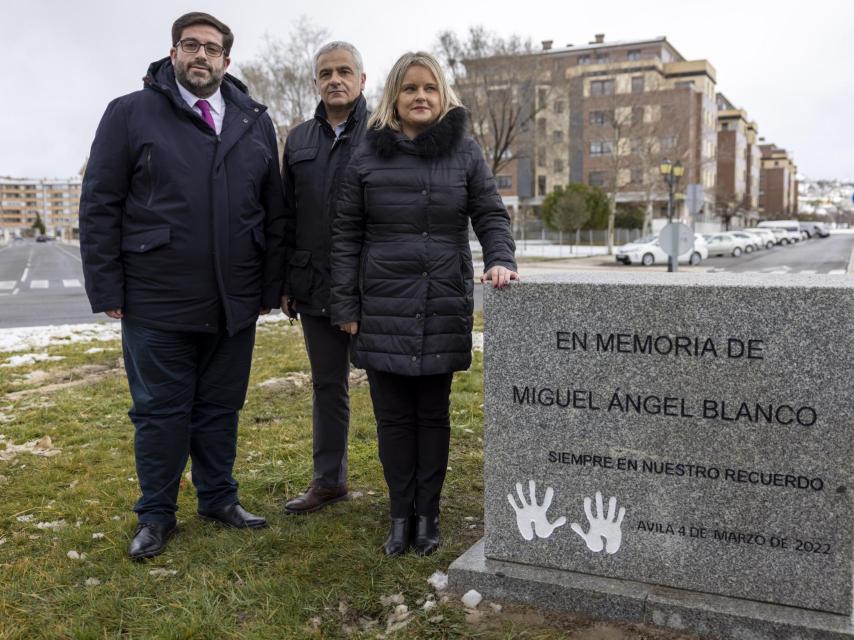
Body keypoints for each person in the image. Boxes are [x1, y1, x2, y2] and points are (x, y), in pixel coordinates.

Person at [79, 12, 285, 559]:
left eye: (211, 48)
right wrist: (108, 289)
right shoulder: (130, 114)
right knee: (161, 413)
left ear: (226, 61)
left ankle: (218, 497)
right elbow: (99, 205)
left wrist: (270, 286)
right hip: (156, 298)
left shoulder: (253, 119)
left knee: (221, 408)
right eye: (189, 45)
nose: (201, 55)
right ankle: (156, 515)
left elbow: (274, 212)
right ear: (172, 54)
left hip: (233, 301)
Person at [330, 51, 518, 556]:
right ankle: (399, 515)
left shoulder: (465, 151)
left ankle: (428, 516)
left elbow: (491, 214)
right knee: (393, 419)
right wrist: (345, 306)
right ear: (394, 95)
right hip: (382, 305)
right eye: (410, 89)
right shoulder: (366, 154)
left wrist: (500, 258)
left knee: (432, 416)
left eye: (429, 89)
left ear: (442, 95)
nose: (420, 97)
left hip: (441, 302)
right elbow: (346, 234)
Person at [280, 42, 368, 515]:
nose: (335, 79)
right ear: (316, 82)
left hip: (374, 287)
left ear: (362, 80)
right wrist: (287, 281)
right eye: (325, 73)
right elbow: (287, 217)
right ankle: (329, 481)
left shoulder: (384, 134)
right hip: (314, 286)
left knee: (396, 386)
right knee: (327, 385)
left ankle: (409, 492)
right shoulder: (298, 141)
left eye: (344, 71)